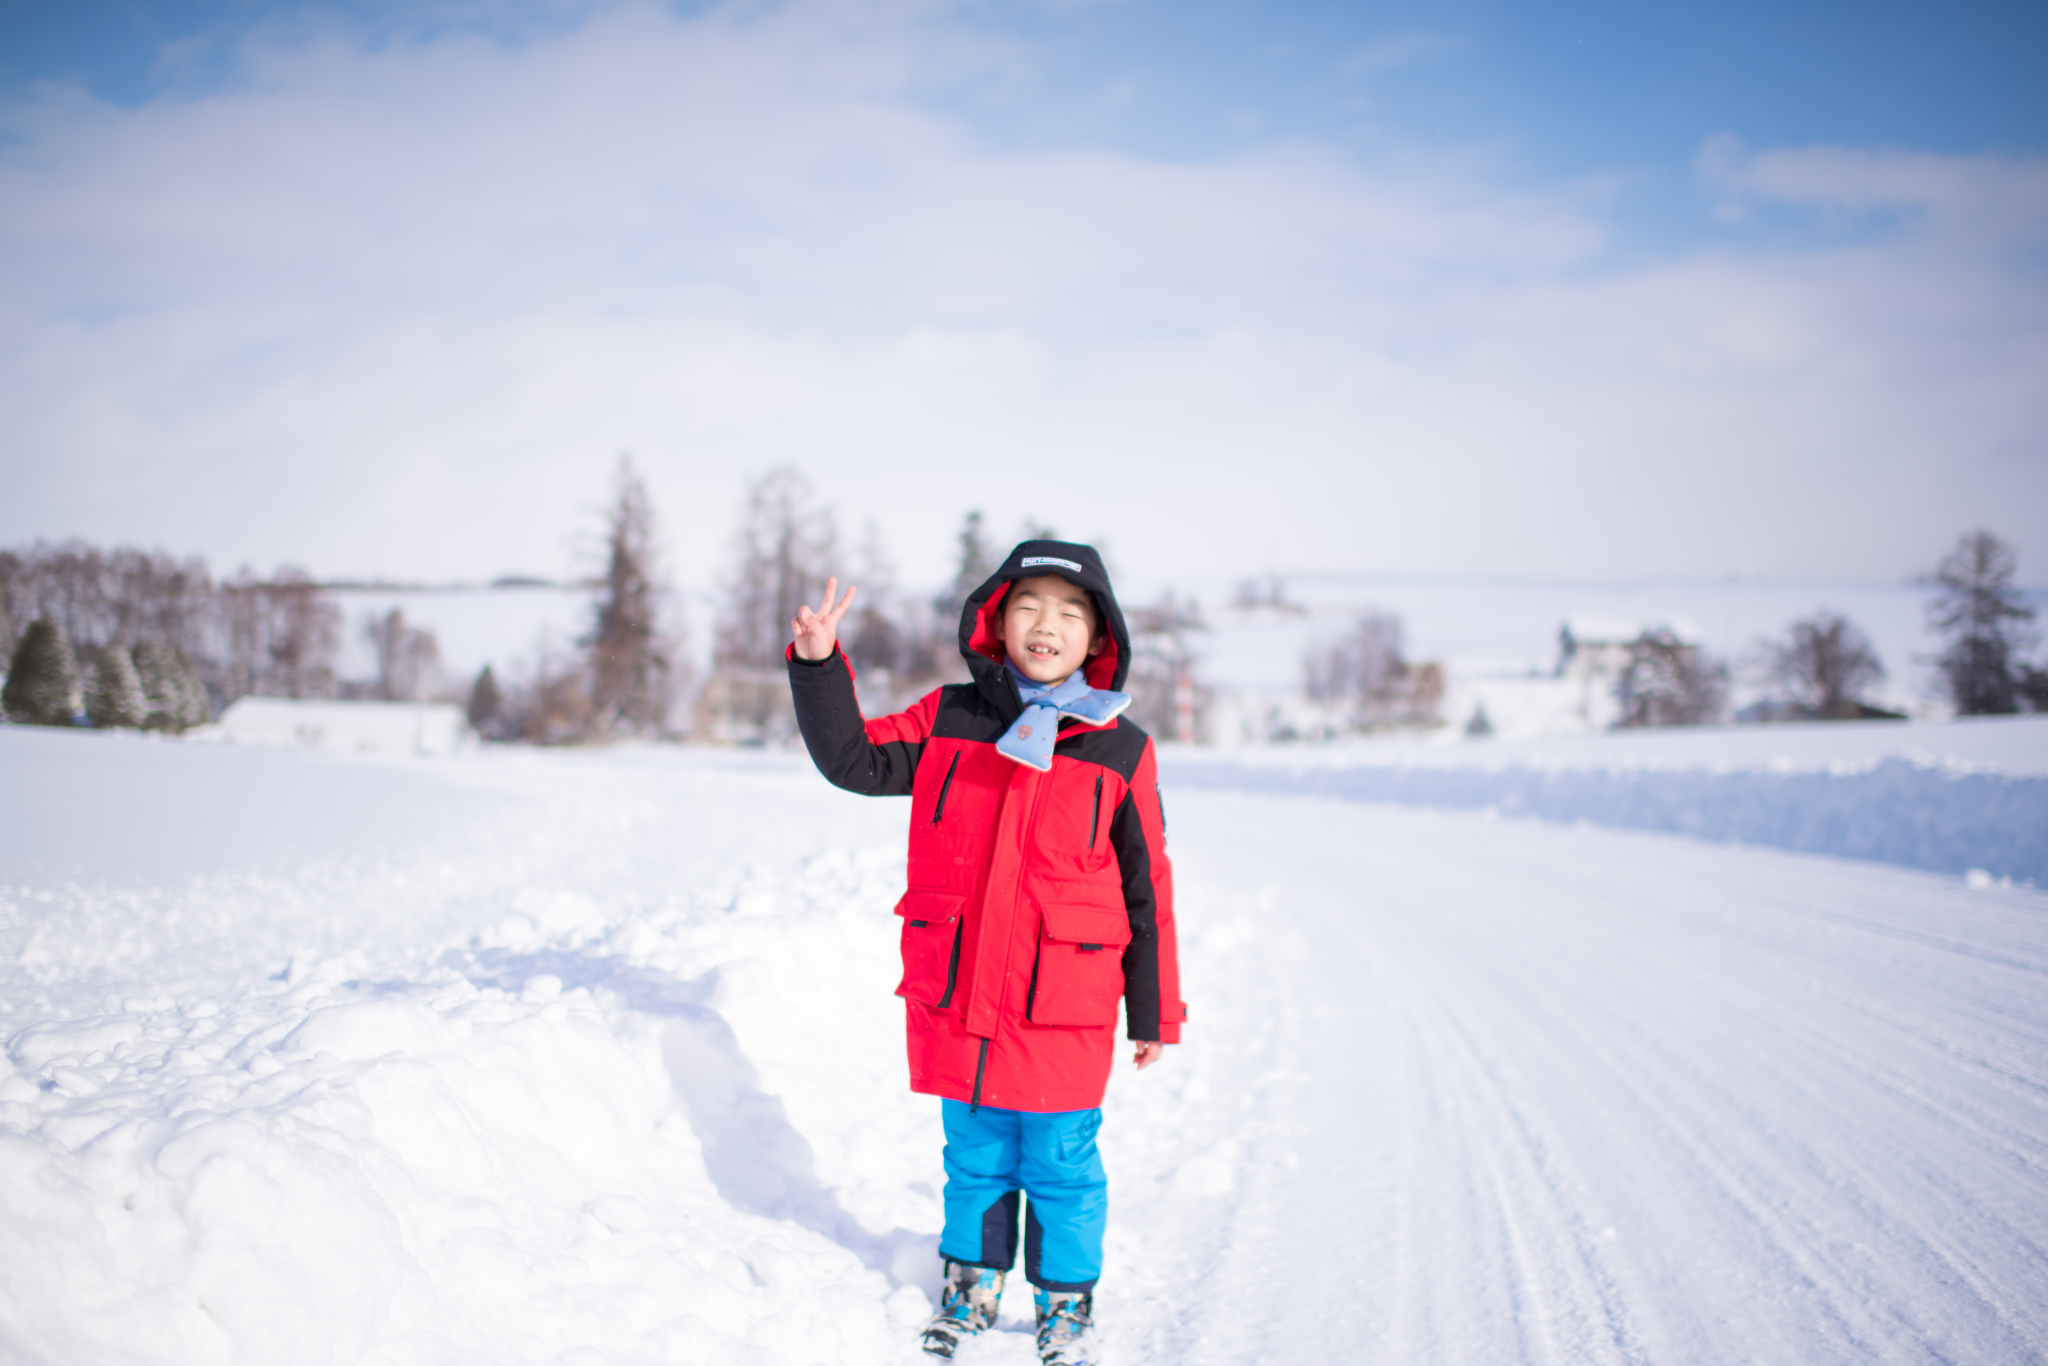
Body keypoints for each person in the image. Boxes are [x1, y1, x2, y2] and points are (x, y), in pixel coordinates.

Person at [786, 540, 1186, 1366]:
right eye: (1029, 606)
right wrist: (820, 666)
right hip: (962, 995)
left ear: (1098, 637)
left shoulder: (1120, 748)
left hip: (1061, 1005)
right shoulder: (948, 719)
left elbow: (1147, 890)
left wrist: (1151, 1008)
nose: (1048, 624)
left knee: (1062, 1164)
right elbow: (853, 761)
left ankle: (1065, 1308)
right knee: (972, 1155)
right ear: (996, 623)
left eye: (1071, 612)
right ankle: (969, 1289)